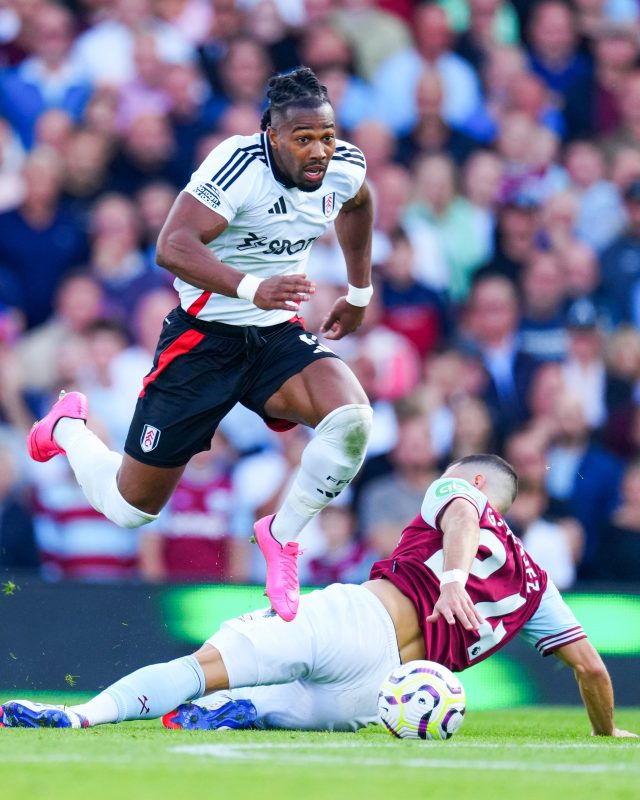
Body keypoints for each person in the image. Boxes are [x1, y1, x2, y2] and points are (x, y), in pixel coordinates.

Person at [23, 67, 374, 623]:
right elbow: (172, 244)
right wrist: (256, 288)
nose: (318, 152)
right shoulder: (238, 166)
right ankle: (67, 426)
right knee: (131, 509)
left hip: (273, 337)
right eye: (302, 139)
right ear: (272, 136)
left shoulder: (344, 167)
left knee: (352, 418)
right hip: (202, 341)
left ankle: (281, 538)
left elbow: (357, 204)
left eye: (326, 137)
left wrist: (358, 290)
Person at [1, 454, 635, 737]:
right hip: (386, 692)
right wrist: (606, 735)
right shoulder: (538, 584)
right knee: (275, 708)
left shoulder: (454, 492)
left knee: (204, 670)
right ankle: (252, 711)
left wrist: (448, 578)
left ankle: (81, 716)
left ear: (469, 479)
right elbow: (593, 672)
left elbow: (464, 515)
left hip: (356, 621)